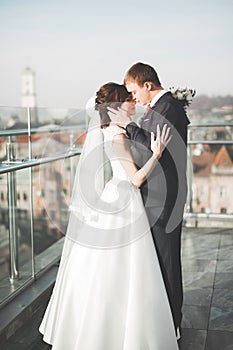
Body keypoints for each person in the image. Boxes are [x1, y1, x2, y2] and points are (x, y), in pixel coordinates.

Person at [39, 82, 179, 349]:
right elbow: (136, 179)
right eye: (129, 99)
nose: (133, 103)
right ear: (117, 105)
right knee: (127, 270)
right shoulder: (116, 134)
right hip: (125, 199)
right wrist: (157, 154)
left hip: (114, 194)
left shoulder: (108, 130)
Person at [108, 63, 190, 339]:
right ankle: (164, 319)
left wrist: (128, 127)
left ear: (147, 85)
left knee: (168, 261)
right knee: (159, 260)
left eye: (134, 91)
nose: (134, 99)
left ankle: (173, 323)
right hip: (156, 195)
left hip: (164, 198)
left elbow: (153, 148)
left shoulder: (167, 108)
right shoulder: (162, 107)